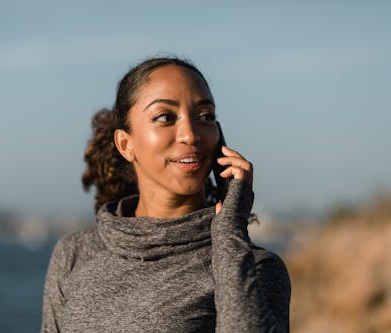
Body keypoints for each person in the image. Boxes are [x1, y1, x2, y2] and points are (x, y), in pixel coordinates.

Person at [41, 57, 291, 333]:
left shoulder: (252, 267)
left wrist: (230, 230)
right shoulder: (74, 253)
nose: (191, 135)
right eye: (166, 117)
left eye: (205, 117)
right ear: (125, 144)